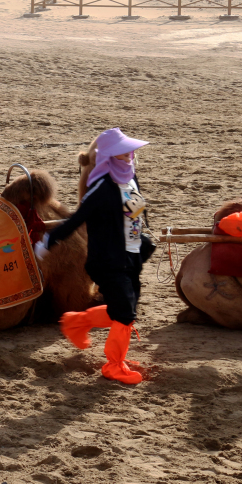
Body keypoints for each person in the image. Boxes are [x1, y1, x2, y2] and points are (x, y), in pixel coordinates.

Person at [35, 127, 150, 385]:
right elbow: (76, 220)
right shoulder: (101, 189)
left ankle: (77, 322)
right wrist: (49, 242)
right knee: (124, 315)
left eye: (130, 150)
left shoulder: (129, 179)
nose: (131, 155)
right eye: (124, 152)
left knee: (124, 309)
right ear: (110, 156)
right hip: (108, 260)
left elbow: (135, 215)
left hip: (130, 255)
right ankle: (114, 365)